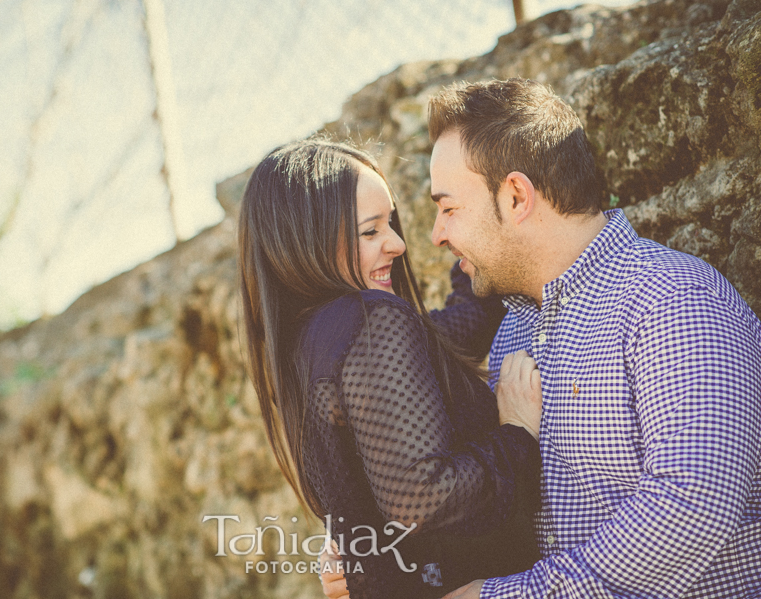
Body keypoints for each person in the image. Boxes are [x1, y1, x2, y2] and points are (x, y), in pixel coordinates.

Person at [315, 77, 761, 599]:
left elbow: (693, 505)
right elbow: (480, 498)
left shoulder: (670, 300)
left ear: (516, 196)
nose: (433, 234)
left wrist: (500, 597)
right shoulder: (512, 334)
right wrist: (378, 557)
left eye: (448, 207)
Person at [238, 138, 544, 599]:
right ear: (307, 239)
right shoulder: (370, 320)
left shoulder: (304, 347)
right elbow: (422, 500)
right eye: (370, 231)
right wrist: (517, 435)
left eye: (392, 223)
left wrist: (473, 227)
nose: (398, 244)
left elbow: (463, 325)